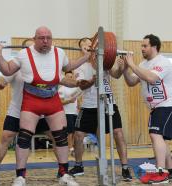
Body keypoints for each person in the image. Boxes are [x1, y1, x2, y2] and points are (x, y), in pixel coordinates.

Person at [0, 26, 90, 186]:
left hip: (52, 100)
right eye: (41, 38)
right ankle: (20, 177)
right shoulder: (24, 54)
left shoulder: (59, 52)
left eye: (48, 38)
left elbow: (69, 67)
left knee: (61, 136)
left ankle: (64, 174)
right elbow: (7, 70)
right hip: (31, 101)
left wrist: (87, 56)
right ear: (35, 39)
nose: (45, 41)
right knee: (23, 137)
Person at [69, 37, 132, 182]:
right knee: (78, 135)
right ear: (82, 50)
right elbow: (82, 86)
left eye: (91, 45)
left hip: (108, 102)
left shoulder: (105, 62)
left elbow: (116, 74)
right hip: (89, 105)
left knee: (118, 133)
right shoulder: (80, 66)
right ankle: (78, 165)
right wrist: (93, 80)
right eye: (85, 47)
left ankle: (124, 167)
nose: (90, 48)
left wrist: (122, 67)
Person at [122, 34, 172, 184]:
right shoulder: (143, 64)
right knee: (160, 138)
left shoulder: (164, 62)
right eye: (141, 46)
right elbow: (131, 82)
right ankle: (169, 171)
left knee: (155, 135)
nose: (142, 49)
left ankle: (161, 172)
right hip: (156, 107)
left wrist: (132, 65)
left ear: (154, 46)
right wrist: (125, 69)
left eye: (145, 46)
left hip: (167, 104)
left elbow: (151, 78)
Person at [58, 71, 82, 154]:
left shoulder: (75, 88)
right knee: (69, 132)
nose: (70, 78)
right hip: (67, 113)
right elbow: (60, 102)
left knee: (75, 131)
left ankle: (73, 147)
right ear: (65, 78)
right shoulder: (61, 89)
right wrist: (69, 101)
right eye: (68, 77)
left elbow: (78, 99)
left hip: (75, 113)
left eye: (71, 77)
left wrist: (79, 106)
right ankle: (70, 148)